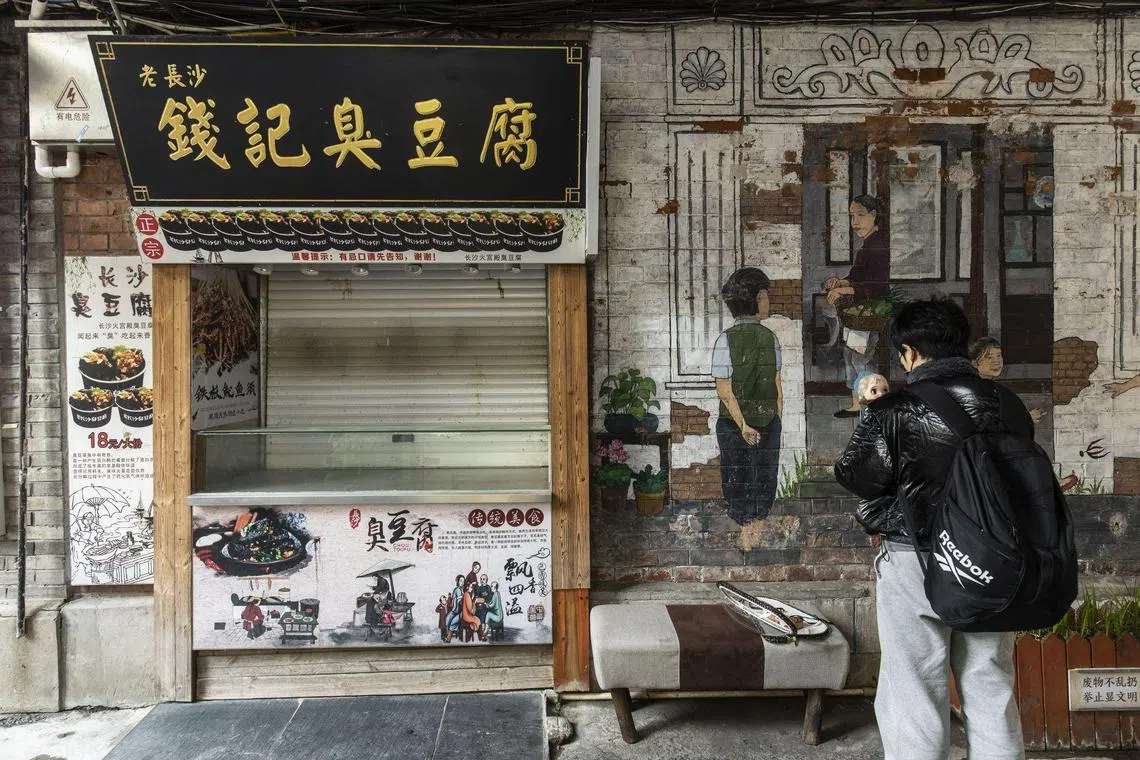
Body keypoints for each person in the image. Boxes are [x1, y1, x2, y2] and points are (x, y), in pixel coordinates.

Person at [834, 298, 1027, 760]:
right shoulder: (1010, 405)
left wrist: (871, 410)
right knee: (990, 688)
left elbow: (856, 476)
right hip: (993, 563)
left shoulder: (897, 409)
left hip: (913, 560)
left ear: (909, 353)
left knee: (914, 694)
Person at [712, 267, 784, 525]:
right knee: (761, 480)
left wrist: (747, 424)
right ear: (751, 299)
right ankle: (752, 529)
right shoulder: (769, 338)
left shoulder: (727, 339)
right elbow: (725, 388)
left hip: (738, 424)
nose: (767, 301)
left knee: (740, 481)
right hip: (744, 424)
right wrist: (769, 419)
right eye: (764, 296)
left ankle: (748, 528)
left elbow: (725, 388)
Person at [825, 195, 891, 418]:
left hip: (870, 311)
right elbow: (856, 277)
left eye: (860, 215)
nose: (855, 221)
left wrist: (842, 290)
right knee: (850, 355)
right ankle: (857, 405)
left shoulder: (878, 247)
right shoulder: (867, 247)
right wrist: (840, 282)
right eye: (852, 216)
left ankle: (872, 406)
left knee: (860, 358)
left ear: (874, 216)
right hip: (859, 311)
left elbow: (875, 287)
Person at [969, 337, 1046, 422]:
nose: (997, 361)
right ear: (975, 363)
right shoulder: (974, 390)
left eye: (999, 355)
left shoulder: (994, 388)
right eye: (989, 357)